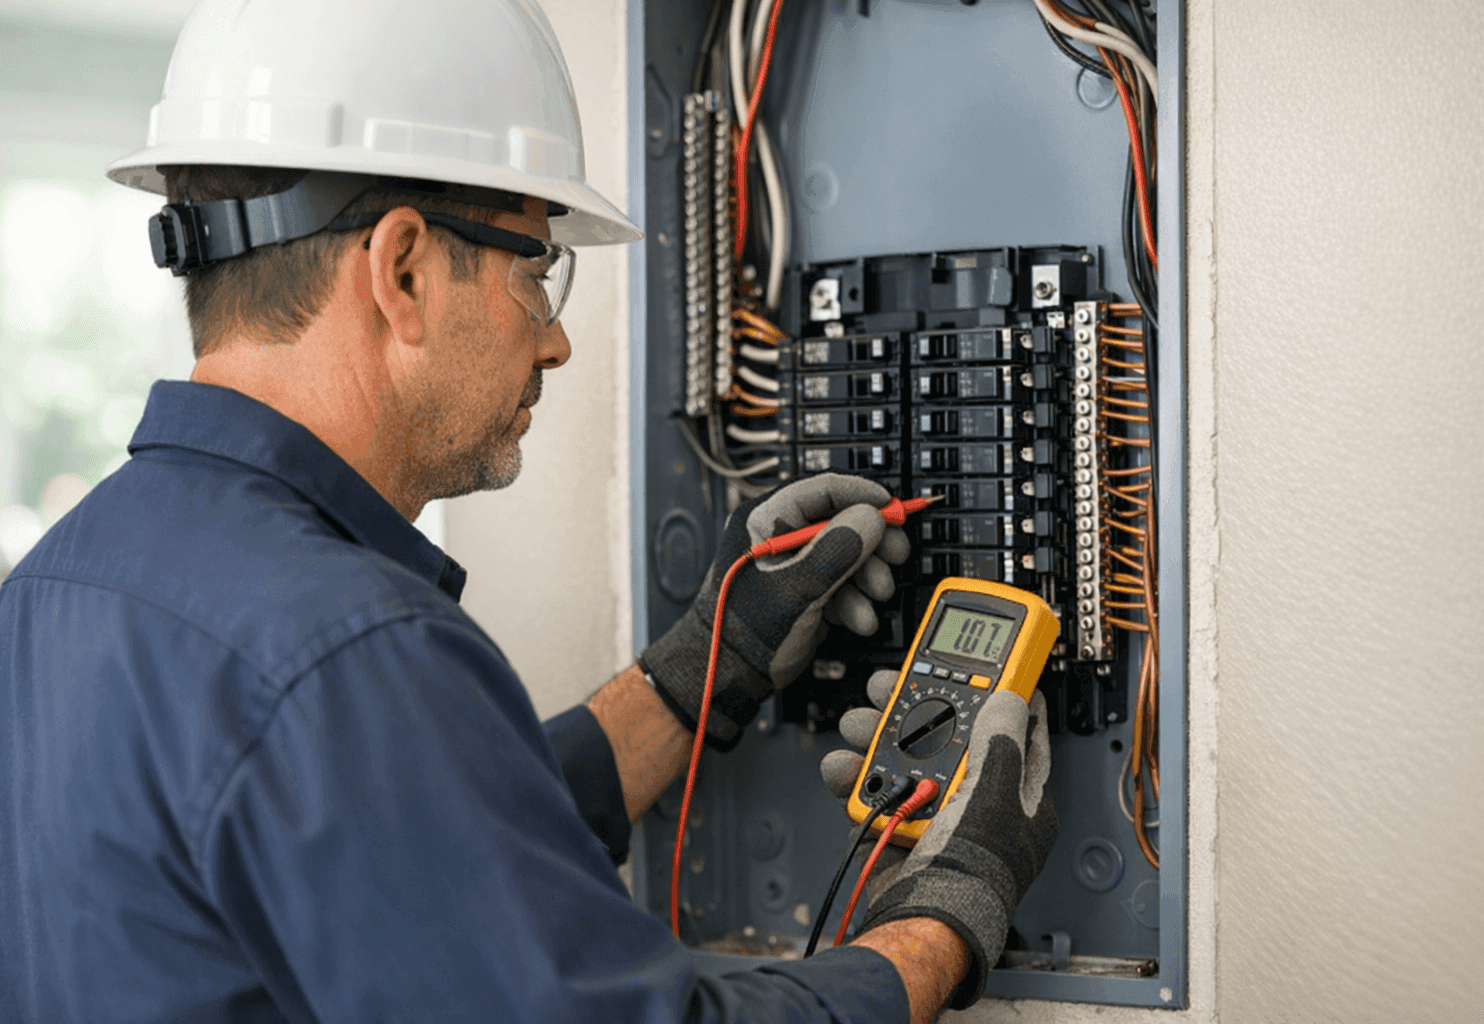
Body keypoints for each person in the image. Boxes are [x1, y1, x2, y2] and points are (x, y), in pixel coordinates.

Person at [0, 2, 1057, 1022]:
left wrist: (699, 671)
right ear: (402, 268)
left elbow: (393, 860)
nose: (553, 342)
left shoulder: (52, 591)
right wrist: (945, 911)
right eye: (536, 270)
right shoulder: (349, 650)